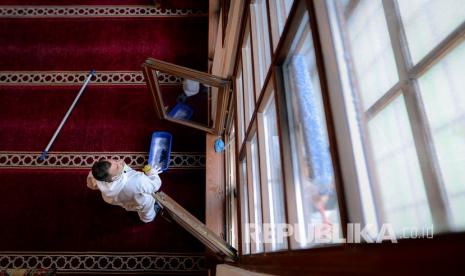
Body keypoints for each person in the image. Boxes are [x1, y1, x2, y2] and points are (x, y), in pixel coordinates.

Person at [86, 159, 163, 223]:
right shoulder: (138, 181)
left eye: (114, 161)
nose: (120, 162)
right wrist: (152, 173)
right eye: (117, 167)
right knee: (146, 206)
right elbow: (155, 185)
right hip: (139, 200)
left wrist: (117, 166)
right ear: (114, 178)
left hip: (115, 199)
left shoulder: (97, 173)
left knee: (129, 205)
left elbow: (90, 184)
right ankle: (147, 218)